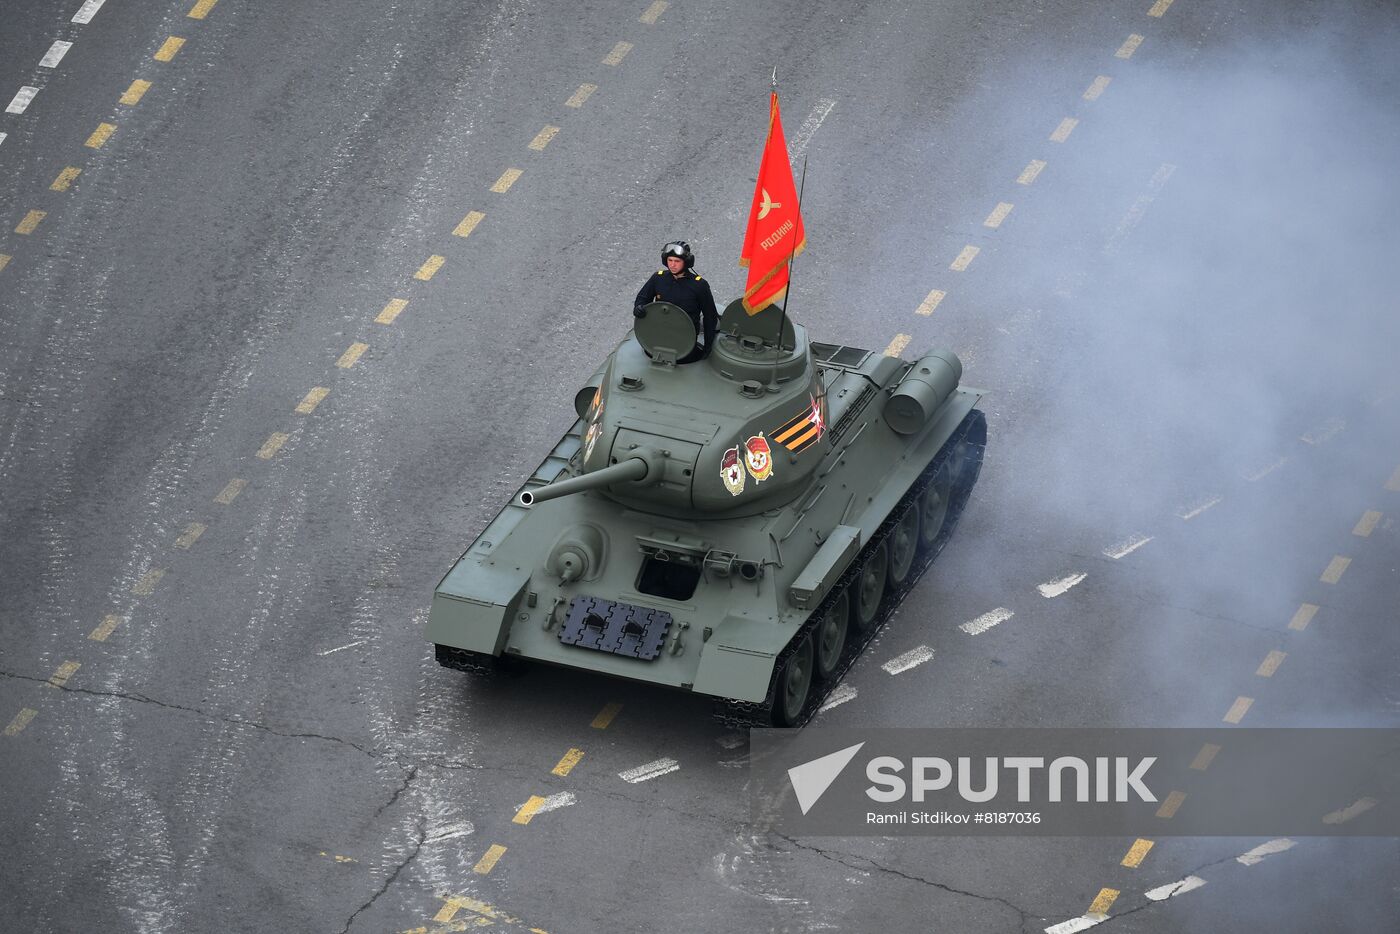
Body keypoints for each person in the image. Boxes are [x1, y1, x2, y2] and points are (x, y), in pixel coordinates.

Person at [633, 240, 718, 362]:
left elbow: (710, 316)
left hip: (684, 342)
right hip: (658, 337)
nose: (672, 265)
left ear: (686, 262)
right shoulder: (658, 278)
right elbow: (642, 298)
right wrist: (638, 308)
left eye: (677, 261)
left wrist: (707, 346)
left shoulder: (699, 285)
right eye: (670, 260)